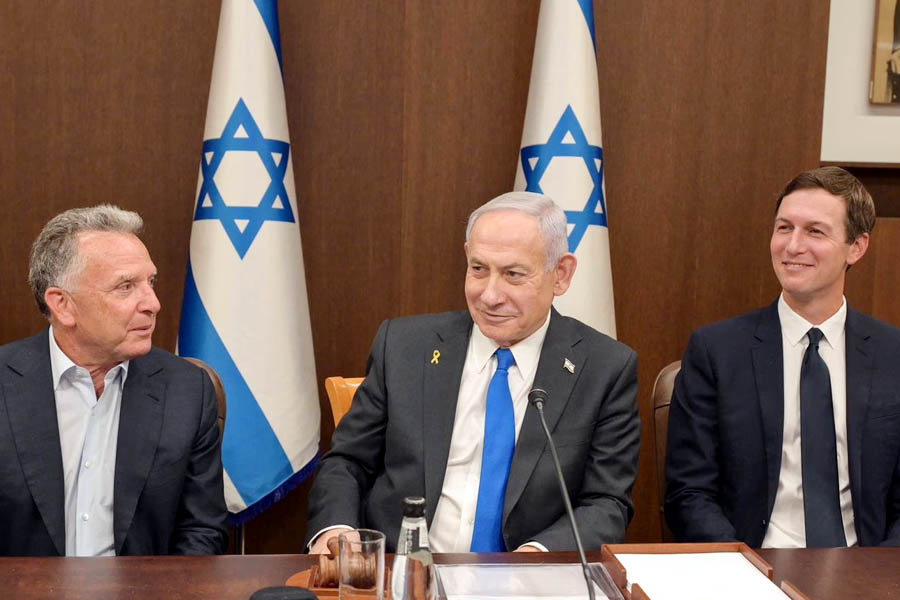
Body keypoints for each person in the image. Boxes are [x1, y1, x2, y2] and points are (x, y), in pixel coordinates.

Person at [307, 191, 640, 553]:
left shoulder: (605, 368)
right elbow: (347, 461)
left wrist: (535, 559)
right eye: (479, 269)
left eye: (513, 274)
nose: (490, 295)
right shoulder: (404, 347)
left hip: (527, 585)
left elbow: (607, 503)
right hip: (402, 574)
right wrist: (336, 530)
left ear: (560, 274)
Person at [665, 166, 900, 547]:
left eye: (815, 231)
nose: (792, 246)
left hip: (866, 570)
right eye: (784, 228)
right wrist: (746, 570)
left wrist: (877, 577)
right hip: (750, 569)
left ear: (856, 247)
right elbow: (688, 495)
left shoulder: (893, 356)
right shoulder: (717, 352)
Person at [0, 205, 228, 556]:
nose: (152, 303)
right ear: (62, 305)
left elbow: (202, 532)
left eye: (150, 283)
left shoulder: (188, 391)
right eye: (125, 287)